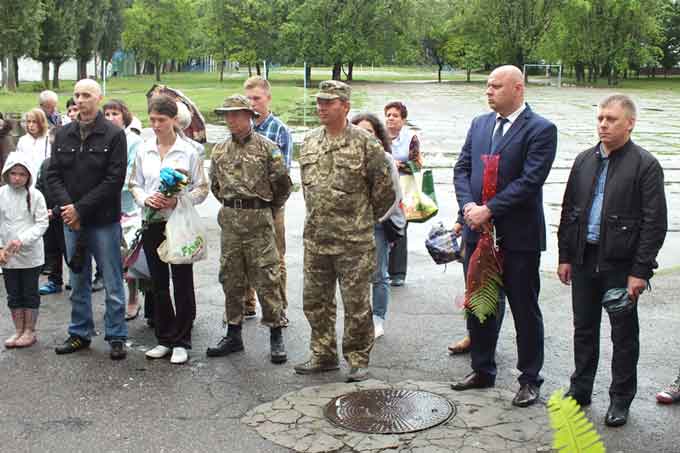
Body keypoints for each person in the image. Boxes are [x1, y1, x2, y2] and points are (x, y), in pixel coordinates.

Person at [557, 94, 667, 426]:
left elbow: (654, 222)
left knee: (623, 335)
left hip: (621, 265)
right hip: (584, 258)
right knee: (583, 328)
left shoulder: (645, 165)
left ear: (630, 123)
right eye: (600, 118)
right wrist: (565, 256)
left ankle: (620, 398)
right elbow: (568, 211)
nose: (603, 124)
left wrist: (640, 271)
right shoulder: (583, 160)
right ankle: (581, 388)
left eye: (611, 119)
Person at [451, 65, 557, 408]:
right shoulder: (480, 124)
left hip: (518, 238)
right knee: (479, 306)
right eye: (487, 86)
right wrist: (468, 207)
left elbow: (530, 181)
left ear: (518, 88)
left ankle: (529, 379)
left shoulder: (541, 129)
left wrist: (490, 210)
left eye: (496, 86)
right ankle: (482, 369)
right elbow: (462, 168)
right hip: (477, 234)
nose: (489, 91)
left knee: (524, 309)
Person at [294, 81, 395, 382]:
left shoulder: (366, 143)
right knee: (315, 301)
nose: (321, 107)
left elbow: (385, 191)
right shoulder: (309, 141)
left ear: (345, 106)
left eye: (329, 102)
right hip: (317, 238)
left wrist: (360, 220)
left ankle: (357, 359)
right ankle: (323, 355)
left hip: (354, 241)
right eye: (319, 102)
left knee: (356, 304)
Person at [205, 95, 292, 364]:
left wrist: (263, 207)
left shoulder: (268, 148)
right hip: (231, 221)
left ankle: (275, 333)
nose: (231, 120)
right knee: (231, 278)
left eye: (236, 115)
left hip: (259, 221)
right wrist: (235, 205)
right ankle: (233, 333)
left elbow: (283, 185)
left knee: (267, 277)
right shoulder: (219, 150)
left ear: (249, 116)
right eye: (227, 115)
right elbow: (216, 186)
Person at [47, 79, 129, 360]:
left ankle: (116, 335)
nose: (80, 100)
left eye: (86, 95)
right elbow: (53, 175)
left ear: (98, 97)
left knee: (112, 280)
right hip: (72, 221)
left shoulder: (114, 135)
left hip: (103, 220)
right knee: (78, 279)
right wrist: (68, 208)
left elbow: (114, 180)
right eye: (76, 95)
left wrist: (80, 209)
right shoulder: (63, 134)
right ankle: (80, 332)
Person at [129, 95, 208, 365]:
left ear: (174, 120)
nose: (156, 125)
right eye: (152, 120)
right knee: (158, 282)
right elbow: (135, 183)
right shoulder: (143, 149)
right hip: (152, 222)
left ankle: (182, 340)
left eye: (161, 120)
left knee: (182, 281)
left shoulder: (190, 151)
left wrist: (178, 200)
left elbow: (201, 188)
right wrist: (144, 199)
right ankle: (164, 337)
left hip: (179, 223)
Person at [242, 76, 294, 324]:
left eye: (257, 98)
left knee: (274, 259)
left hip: (271, 205)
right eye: (248, 98)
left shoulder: (279, 130)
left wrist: (271, 203)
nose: (252, 104)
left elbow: (282, 175)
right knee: (243, 257)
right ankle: (247, 304)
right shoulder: (241, 129)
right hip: (243, 208)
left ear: (267, 98)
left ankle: (278, 309)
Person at [351, 113, 405, 339]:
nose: (364, 136)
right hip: (351, 226)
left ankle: (378, 319)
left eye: (369, 131)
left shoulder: (385, 159)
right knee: (354, 276)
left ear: (378, 136)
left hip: (377, 226)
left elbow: (395, 197)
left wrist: (376, 219)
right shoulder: (346, 158)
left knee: (378, 274)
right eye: (359, 131)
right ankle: (358, 318)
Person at [0, 153, 49, 348]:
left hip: (30, 254)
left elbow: (42, 222)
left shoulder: (35, 195)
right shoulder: (2, 194)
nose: (17, 178)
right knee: (13, 292)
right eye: (14, 173)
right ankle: (18, 329)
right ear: (7, 173)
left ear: (29, 175)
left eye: (22, 174)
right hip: (7, 254)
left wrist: (22, 240)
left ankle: (30, 330)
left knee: (29, 291)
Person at [103, 99, 144, 321]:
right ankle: (114, 299)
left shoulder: (134, 142)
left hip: (128, 207)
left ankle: (133, 298)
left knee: (129, 257)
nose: (110, 118)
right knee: (110, 258)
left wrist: (107, 185)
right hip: (104, 209)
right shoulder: (100, 139)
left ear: (124, 116)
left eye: (115, 113)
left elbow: (132, 174)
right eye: (107, 114)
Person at [384, 101, 422, 287]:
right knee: (379, 228)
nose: (391, 118)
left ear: (403, 119)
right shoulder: (379, 136)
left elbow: (417, 163)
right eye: (388, 115)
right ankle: (379, 268)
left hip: (404, 190)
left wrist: (398, 165)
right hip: (382, 189)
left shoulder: (411, 138)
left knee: (399, 228)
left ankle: (398, 272)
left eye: (395, 115)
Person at [16, 108, 50, 181]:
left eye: (34, 122)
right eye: (29, 122)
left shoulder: (49, 139)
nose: (31, 125)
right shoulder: (22, 140)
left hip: (44, 180)